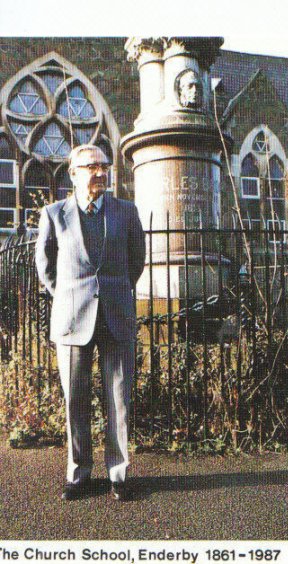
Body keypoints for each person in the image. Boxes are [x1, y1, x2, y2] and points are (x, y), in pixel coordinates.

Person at [35, 144, 145, 501]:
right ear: (73, 172)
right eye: (90, 167)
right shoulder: (54, 214)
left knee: (119, 401)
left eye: (103, 165)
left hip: (116, 316)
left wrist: (115, 291)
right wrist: (67, 294)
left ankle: (119, 474)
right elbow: (45, 266)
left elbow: (136, 262)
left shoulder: (126, 212)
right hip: (72, 319)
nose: (99, 172)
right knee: (75, 401)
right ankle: (79, 474)